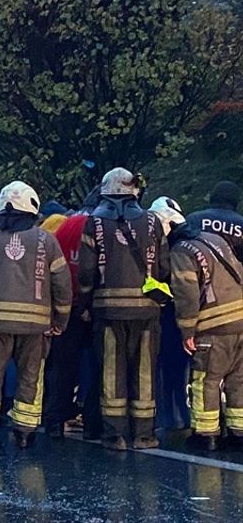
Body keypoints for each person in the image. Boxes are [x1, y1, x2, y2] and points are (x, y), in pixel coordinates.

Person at [0, 181, 72, 449]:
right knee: (30, 378)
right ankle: (25, 433)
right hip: (36, 326)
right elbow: (62, 283)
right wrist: (60, 320)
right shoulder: (46, 240)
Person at [78, 167, 170, 451]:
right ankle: (144, 435)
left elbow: (86, 272)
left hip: (107, 313)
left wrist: (85, 302)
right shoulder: (153, 222)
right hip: (147, 311)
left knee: (110, 374)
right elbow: (165, 267)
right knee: (144, 372)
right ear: (134, 192)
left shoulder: (93, 224)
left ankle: (114, 436)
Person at [167, 199, 243, 452]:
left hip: (214, 326)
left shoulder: (181, 250)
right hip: (241, 320)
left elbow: (186, 293)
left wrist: (187, 330)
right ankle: (238, 432)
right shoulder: (216, 241)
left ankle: (206, 434)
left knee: (206, 380)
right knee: (238, 380)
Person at [43, 189, 100, 439]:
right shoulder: (99, 226)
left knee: (62, 366)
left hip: (64, 305)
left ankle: (55, 419)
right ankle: (92, 422)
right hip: (93, 305)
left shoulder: (65, 226)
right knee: (99, 365)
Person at [150, 197, 192, 433]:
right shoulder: (188, 242)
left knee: (169, 371)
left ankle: (172, 418)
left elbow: (162, 283)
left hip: (170, 317)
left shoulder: (173, 248)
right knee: (178, 371)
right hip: (180, 317)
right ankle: (179, 417)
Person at [183, 181, 243, 260]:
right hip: (233, 270)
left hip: (195, 269)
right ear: (236, 201)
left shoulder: (193, 219)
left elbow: (181, 248)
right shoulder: (240, 223)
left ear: (212, 198)